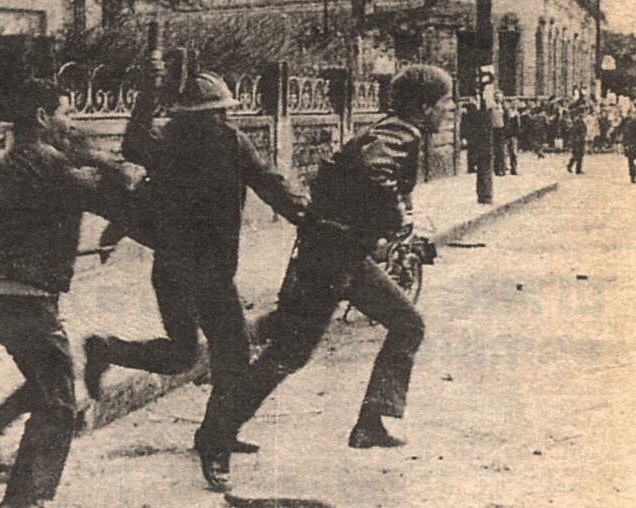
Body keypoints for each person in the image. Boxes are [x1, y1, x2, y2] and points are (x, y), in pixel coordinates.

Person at [190, 65, 453, 490]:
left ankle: (371, 421)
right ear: (424, 108)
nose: (449, 110)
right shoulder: (403, 133)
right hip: (332, 258)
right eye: (445, 103)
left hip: (340, 254)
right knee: (288, 354)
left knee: (407, 323)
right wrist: (394, 216)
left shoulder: (390, 128)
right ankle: (214, 439)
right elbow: (372, 170)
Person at [82, 68, 309, 476]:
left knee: (220, 355)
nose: (219, 119)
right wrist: (148, 91)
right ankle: (212, 443)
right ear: (189, 117)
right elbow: (133, 144)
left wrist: (306, 217)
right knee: (201, 354)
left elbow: (269, 183)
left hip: (213, 268)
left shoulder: (230, 143)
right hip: (177, 266)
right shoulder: (170, 144)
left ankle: (211, 435)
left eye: (221, 112)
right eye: (210, 113)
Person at [0, 79, 140, 508]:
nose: (70, 121)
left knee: (47, 379)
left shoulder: (10, 163)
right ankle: (24, 501)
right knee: (59, 405)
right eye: (66, 112)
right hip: (27, 300)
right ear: (42, 117)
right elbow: (114, 194)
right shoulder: (49, 164)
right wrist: (121, 168)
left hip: (4, 296)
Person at [616, 108, 636, 183]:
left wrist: (625, 144)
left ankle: (633, 175)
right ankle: (633, 174)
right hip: (631, 144)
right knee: (631, 160)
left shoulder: (628, 122)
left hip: (630, 144)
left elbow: (624, 134)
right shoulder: (628, 122)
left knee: (631, 160)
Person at [461, 97, 479, 173]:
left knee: (473, 150)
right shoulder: (470, 109)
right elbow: (464, 124)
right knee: (472, 149)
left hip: (473, 132)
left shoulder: (468, 111)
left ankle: (472, 166)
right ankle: (472, 166)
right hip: (472, 132)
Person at [567, 106, 587, 175]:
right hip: (577, 141)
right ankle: (571, 166)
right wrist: (576, 139)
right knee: (577, 154)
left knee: (580, 155)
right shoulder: (577, 121)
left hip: (580, 140)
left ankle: (577, 169)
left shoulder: (580, 121)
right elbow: (574, 131)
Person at [491, 90, 506, 176]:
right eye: (497, 97)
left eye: (500, 97)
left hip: (502, 130)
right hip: (494, 130)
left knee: (502, 151)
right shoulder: (492, 107)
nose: (498, 99)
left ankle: (502, 169)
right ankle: (497, 169)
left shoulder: (504, 107)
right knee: (496, 151)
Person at [504, 99, 521, 175]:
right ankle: (504, 166)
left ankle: (513, 168)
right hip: (507, 135)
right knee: (505, 152)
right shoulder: (507, 113)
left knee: (513, 153)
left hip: (513, 135)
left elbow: (518, 126)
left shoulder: (517, 114)